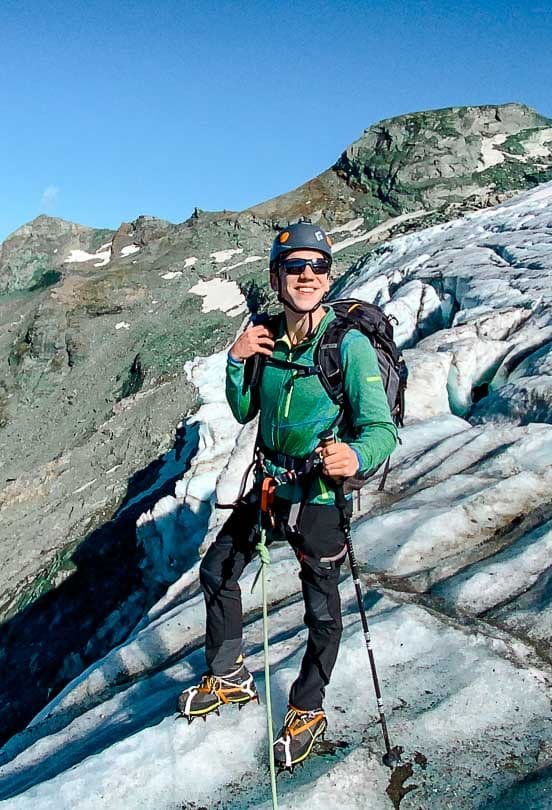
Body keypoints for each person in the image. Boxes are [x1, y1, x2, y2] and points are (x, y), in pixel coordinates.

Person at [176, 220, 399, 769]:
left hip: (319, 496)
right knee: (218, 572)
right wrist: (236, 360)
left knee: (321, 609)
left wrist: (356, 457)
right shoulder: (265, 335)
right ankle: (229, 672)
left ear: (327, 276)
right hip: (271, 487)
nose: (307, 275)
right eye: (295, 266)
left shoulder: (346, 348)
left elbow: (380, 429)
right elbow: (246, 409)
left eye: (317, 266)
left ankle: (308, 704)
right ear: (276, 277)